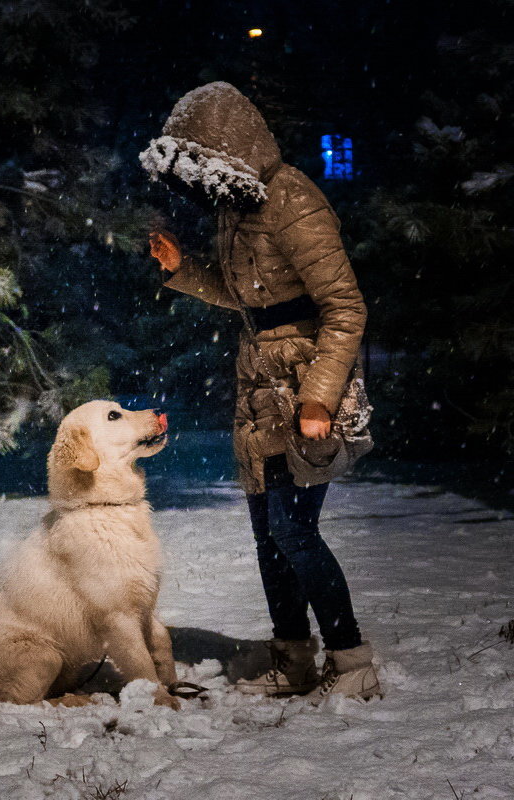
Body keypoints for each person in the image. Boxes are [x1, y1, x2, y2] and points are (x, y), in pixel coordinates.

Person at [141, 82, 381, 702]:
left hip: (302, 387)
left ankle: (352, 664)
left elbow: (345, 307)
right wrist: (182, 270)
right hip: (258, 389)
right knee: (267, 534)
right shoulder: (236, 210)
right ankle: (294, 660)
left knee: (294, 531)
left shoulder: (293, 199)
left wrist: (319, 398)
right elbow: (245, 295)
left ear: (226, 149)